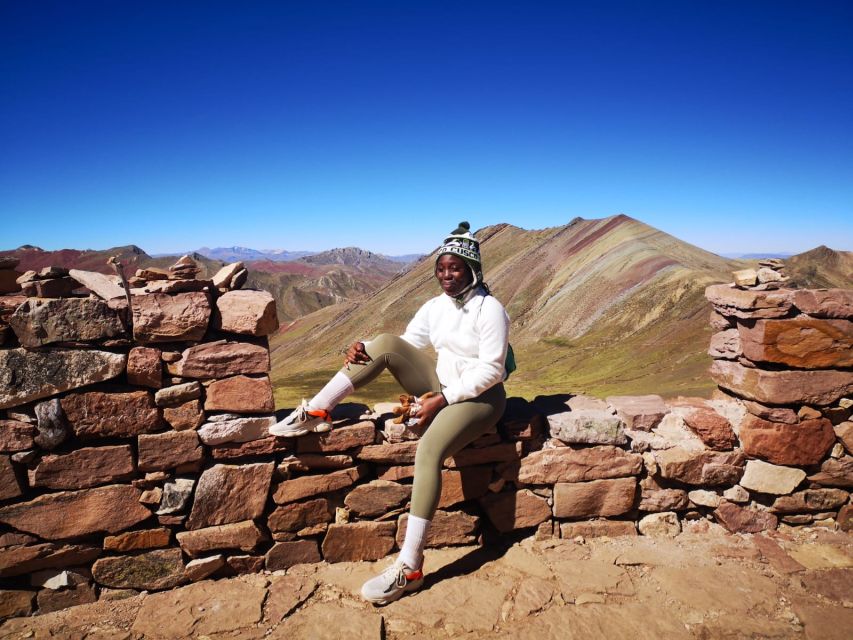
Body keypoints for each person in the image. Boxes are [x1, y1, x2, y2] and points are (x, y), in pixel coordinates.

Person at [269, 221, 510, 605]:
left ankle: (410, 568)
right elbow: (407, 344)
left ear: (473, 270)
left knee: (429, 451)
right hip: (441, 388)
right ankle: (317, 409)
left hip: (480, 398)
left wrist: (443, 400)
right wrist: (363, 347)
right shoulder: (436, 307)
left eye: (456, 269)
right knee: (381, 343)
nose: (446, 276)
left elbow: (492, 369)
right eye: (441, 269)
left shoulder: (490, 309)